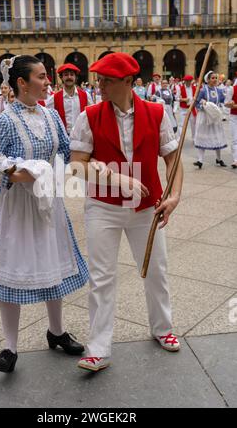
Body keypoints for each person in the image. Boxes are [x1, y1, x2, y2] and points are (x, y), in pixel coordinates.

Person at [0, 55, 88, 373]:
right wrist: (15, 175)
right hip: (17, 208)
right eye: (41, 76)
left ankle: (57, 331)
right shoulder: (4, 120)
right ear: (21, 83)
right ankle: (10, 347)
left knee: (53, 266)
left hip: (48, 204)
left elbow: (67, 152)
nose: (48, 80)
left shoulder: (52, 117)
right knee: (13, 270)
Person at [70, 52, 183, 372]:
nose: (99, 84)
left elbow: (173, 159)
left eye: (106, 79)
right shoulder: (89, 116)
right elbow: (77, 167)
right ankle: (98, 349)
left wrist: (174, 196)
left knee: (156, 270)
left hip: (148, 208)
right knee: (102, 277)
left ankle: (163, 328)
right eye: (99, 78)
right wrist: (114, 177)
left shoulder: (157, 113)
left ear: (129, 82)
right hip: (103, 208)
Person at [193, 71, 227, 169]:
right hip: (204, 117)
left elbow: (224, 100)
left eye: (216, 78)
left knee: (217, 137)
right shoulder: (203, 90)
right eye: (212, 78)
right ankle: (200, 160)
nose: (215, 80)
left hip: (215, 117)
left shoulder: (219, 91)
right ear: (207, 80)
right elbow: (196, 103)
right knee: (202, 138)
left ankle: (219, 158)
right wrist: (203, 106)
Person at [46, 63, 93, 134]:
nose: (69, 77)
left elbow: (92, 116)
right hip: (63, 138)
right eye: (66, 75)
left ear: (75, 77)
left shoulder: (86, 96)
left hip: (82, 137)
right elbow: (49, 120)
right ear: (61, 77)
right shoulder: (53, 99)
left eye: (71, 74)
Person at [176, 75, 197, 140]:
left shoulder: (195, 88)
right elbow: (176, 98)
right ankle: (179, 138)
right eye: (186, 81)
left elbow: (197, 97)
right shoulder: (180, 88)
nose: (188, 82)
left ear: (191, 81)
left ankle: (194, 138)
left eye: (189, 81)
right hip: (183, 109)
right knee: (181, 124)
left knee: (193, 124)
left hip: (192, 108)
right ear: (184, 81)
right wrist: (183, 99)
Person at [225, 79, 237, 168]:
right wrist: (230, 103)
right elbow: (226, 103)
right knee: (234, 139)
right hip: (234, 117)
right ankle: (235, 159)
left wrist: (235, 105)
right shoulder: (232, 89)